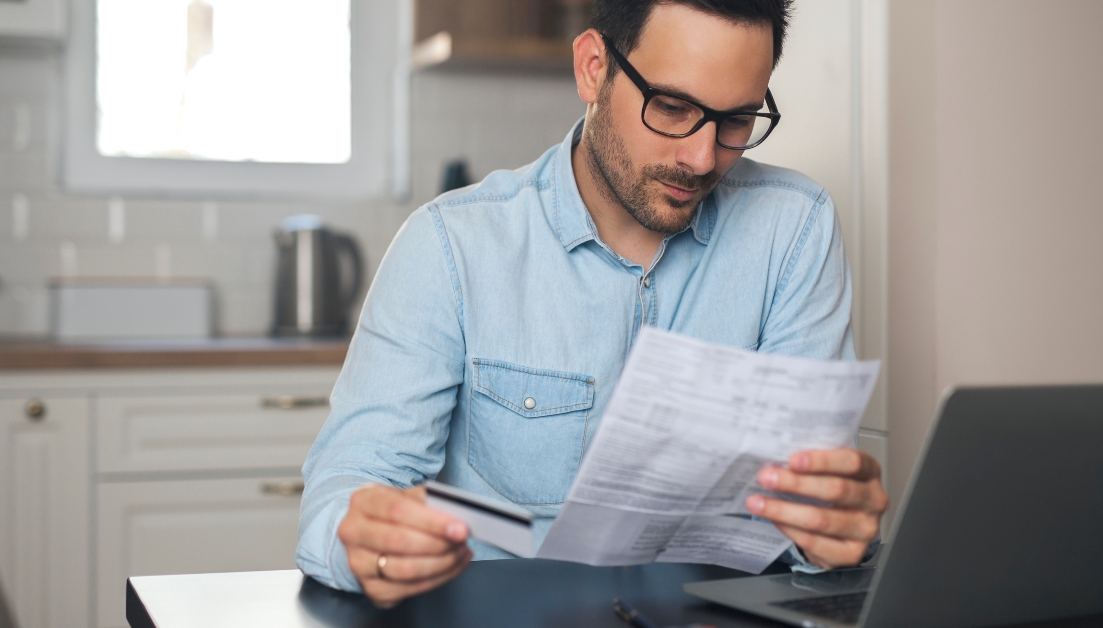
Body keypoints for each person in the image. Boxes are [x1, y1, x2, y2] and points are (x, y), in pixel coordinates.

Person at [296, 0, 889, 608]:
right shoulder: (450, 246)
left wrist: (830, 536)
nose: (703, 158)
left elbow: (806, 517)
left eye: (736, 120)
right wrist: (364, 537)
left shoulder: (795, 231)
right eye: (673, 108)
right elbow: (347, 486)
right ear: (593, 68)